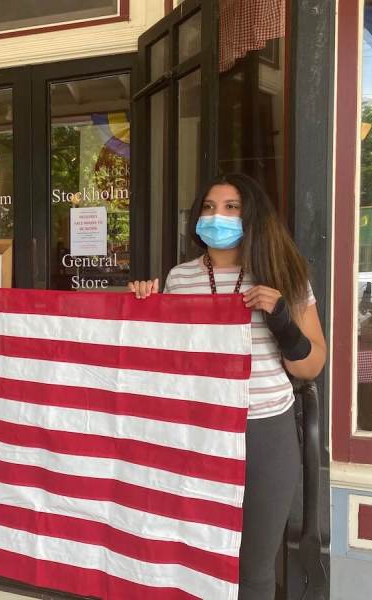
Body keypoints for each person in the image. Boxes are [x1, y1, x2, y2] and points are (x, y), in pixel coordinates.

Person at [128, 172, 326, 599]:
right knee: (193, 555)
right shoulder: (180, 278)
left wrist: (283, 321)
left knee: (253, 567)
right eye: (209, 207)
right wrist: (145, 307)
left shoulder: (284, 274)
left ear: (251, 216)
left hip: (263, 431)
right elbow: (168, 361)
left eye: (230, 208)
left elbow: (311, 366)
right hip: (196, 431)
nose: (217, 216)